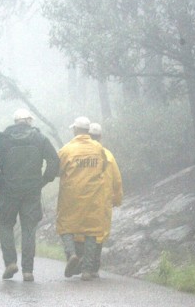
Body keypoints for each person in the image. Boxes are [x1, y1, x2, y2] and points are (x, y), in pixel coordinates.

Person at [0, 108, 59, 282]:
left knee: (5, 225)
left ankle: (10, 262)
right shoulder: (40, 138)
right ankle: (28, 271)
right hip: (32, 190)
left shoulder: (3, 139)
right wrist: (44, 180)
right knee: (29, 228)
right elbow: (54, 160)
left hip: (9, 190)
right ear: (29, 121)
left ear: (15, 122)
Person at [56, 116, 109, 281]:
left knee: (65, 226)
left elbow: (57, 170)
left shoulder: (67, 149)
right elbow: (104, 166)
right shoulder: (98, 148)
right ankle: (86, 271)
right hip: (93, 196)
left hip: (71, 196)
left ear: (75, 130)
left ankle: (72, 254)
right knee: (91, 232)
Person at [72, 122, 123, 279]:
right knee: (98, 233)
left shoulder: (79, 152)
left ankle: (81, 262)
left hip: (81, 199)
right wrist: (117, 199)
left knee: (80, 232)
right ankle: (93, 267)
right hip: (102, 202)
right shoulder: (107, 154)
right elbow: (117, 180)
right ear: (100, 137)